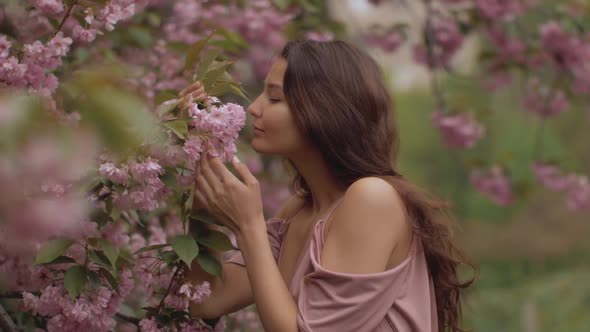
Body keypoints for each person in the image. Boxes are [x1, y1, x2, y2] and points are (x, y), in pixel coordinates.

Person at [184, 39, 476, 332]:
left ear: (323, 111)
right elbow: (208, 300)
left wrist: (248, 226)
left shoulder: (373, 199)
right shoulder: (298, 210)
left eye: (274, 98)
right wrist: (204, 194)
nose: (254, 109)